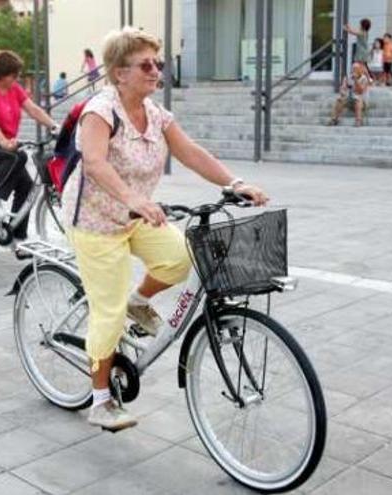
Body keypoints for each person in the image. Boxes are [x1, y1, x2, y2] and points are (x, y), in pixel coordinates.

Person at [61, 27, 268, 431]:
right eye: (146, 64)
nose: (156, 70)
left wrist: (234, 183)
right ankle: (100, 400)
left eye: (159, 63)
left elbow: (190, 151)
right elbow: (95, 162)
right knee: (109, 311)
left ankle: (141, 301)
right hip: (96, 222)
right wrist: (133, 198)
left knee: (179, 259)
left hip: (137, 216)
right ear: (119, 72)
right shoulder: (100, 110)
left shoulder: (155, 114)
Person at [0, 50, 59, 256]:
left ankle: (17, 237)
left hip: (1, 144)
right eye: (14, 75)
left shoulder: (14, 89)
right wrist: (5, 143)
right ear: (2, 74)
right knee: (16, 156)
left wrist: (54, 126)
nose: (17, 79)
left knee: (26, 186)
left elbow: (33, 109)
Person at [328, 62, 370, 127]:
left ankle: (358, 121)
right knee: (339, 100)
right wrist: (342, 91)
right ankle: (334, 119)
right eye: (353, 69)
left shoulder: (364, 79)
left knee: (358, 100)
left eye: (356, 69)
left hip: (362, 101)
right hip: (350, 99)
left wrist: (356, 80)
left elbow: (360, 91)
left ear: (360, 70)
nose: (353, 70)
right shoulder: (348, 77)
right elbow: (343, 87)